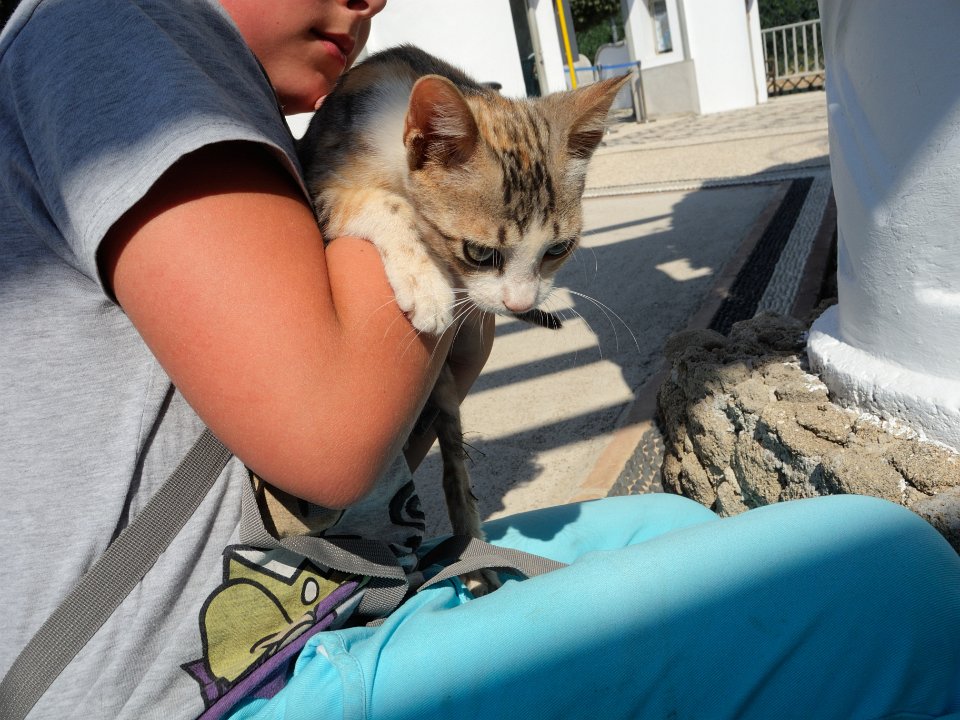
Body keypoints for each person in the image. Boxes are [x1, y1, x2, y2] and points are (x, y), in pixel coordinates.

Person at [0, 1, 958, 719]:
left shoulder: (226, 88)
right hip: (211, 681)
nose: (371, 0)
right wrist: (411, 186)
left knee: (676, 519)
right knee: (890, 578)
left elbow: (407, 410)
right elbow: (334, 440)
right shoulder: (117, 26)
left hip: (334, 583)